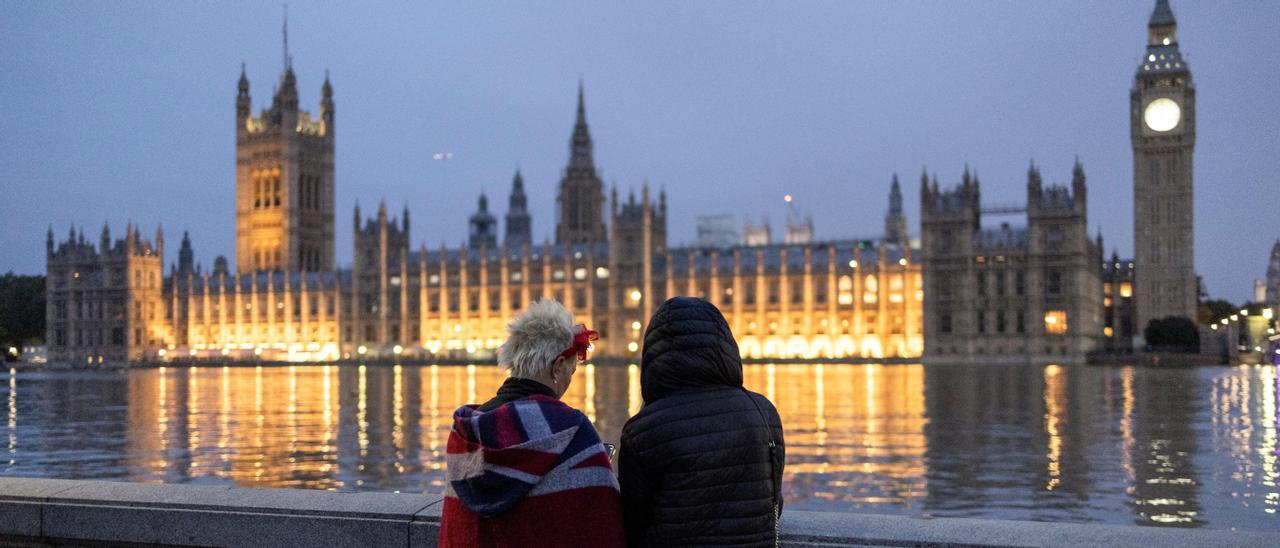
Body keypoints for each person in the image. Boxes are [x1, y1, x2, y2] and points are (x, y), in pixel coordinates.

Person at [439, 299, 624, 547]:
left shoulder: (465, 431)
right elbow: (601, 522)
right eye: (572, 368)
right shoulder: (570, 428)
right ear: (557, 366)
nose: (570, 376)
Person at [618, 297, 786, 547]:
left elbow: (633, 521)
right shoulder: (764, 412)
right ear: (725, 344)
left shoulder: (642, 431)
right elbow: (773, 500)